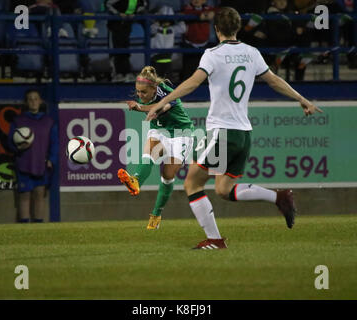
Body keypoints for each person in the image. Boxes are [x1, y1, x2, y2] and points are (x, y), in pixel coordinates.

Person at [146, 7, 322, 249]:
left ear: (216, 29)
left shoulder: (212, 54)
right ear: (238, 28)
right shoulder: (252, 53)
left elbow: (192, 83)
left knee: (192, 184)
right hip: (243, 134)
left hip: (222, 132)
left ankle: (215, 240)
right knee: (223, 189)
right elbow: (273, 80)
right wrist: (301, 98)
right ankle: (279, 197)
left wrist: (163, 101)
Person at [117, 66, 195, 229]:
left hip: (181, 133)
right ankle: (136, 181)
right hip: (160, 130)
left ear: (154, 89)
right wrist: (145, 108)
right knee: (149, 153)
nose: (139, 95)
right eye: (137, 92)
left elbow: (163, 107)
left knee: (167, 175)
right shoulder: (147, 94)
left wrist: (143, 108)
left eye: (143, 92)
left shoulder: (168, 93)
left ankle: (156, 214)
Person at [8, 90, 58, 223]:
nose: (33, 101)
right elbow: (10, 142)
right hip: (24, 164)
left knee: (39, 196)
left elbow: (54, 143)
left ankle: (38, 228)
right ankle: (24, 228)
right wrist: (17, 148)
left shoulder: (48, 121)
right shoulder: (18, 121)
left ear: (40, 101)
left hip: (41, 164)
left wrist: (52, 160)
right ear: (26, 102)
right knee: (24, 197)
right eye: (30, 99)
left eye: (36, 99)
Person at [105, 0, 148, 83]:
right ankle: (117, 74)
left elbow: (144, 4)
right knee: (117, 47)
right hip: (115, 24)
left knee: (125, 46)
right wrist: (118, 14)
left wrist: (134, 14)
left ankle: (126, 73)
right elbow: (107, 4)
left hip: (127, 23)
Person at [180, 0, 216, 81]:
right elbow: (186, 12)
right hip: (190, 44)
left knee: (204, 71)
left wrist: (213, 13)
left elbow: (217, 10)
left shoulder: (207, 8)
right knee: (188, 72)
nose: (196, 0)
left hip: (204, 44)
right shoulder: (187, 8)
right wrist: (200, 15)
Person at [150, 5, 186, 80]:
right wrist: (157, 19)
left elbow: (183, 28)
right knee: (156, 80)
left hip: (168, 57)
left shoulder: (172, 29)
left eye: (168, 21)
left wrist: (179, 19)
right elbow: (151, 28)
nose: (166, 23)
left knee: (167, 79)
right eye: (163, 20)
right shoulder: (156, 28)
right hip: (156, 57)